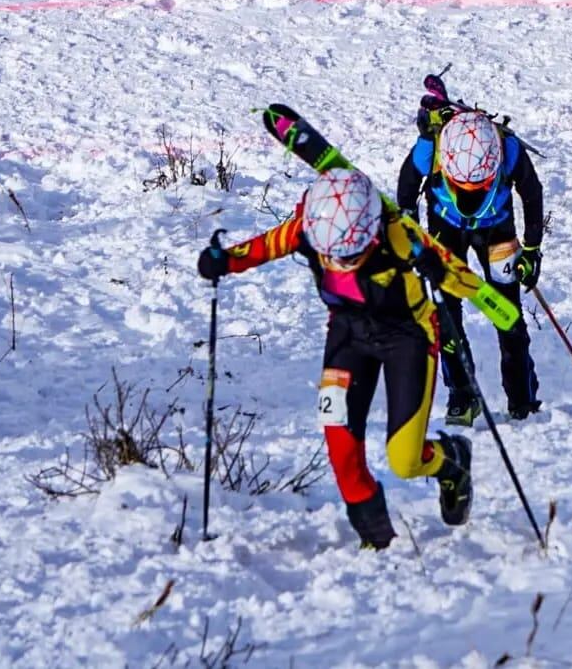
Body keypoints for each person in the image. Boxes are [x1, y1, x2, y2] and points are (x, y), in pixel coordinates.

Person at [197, 168, 474, 551]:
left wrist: (438, 269)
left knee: (405, 460)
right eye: (332, 256)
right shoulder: (307, 230)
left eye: (353, 255)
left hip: (408, 338)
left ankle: (452, 460)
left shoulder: (400, 235)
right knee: (341, 449)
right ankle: (378, 543)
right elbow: (263, 247)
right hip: (348, 336)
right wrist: (223, 260)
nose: (341, 263)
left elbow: (466, 281)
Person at [398, 97, 543, 427]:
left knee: (508, 315)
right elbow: (406, 191)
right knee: (446, 315)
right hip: (446, 230)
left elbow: (532, 193)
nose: (470, 193)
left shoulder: (508, 150)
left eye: (479, 186)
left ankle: (522, 399)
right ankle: (462, 395)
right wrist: (413, 239)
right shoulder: (431, 148)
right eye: (461, 186)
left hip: (497, 231)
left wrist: (532, 249)